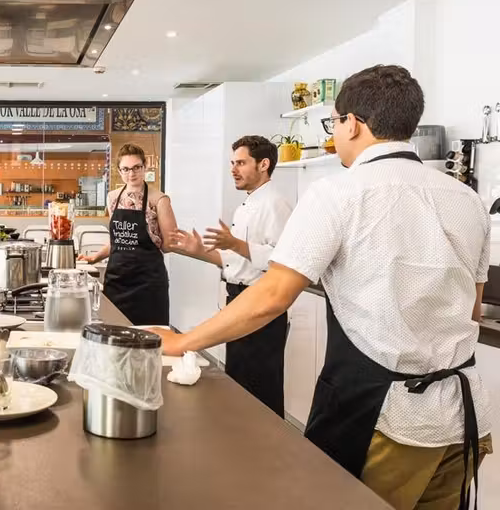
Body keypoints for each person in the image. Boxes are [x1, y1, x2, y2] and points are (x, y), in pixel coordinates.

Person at [152, 65, 492, 510]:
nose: (335, 133)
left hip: (385, 421)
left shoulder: (339, 194)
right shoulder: (466, 199)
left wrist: (182, 341)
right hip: (464, 422)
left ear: (352, 123)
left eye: (334, 123)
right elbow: (473, 308)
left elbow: (273, 295)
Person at [170, 135, 293, 417]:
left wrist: (235, 244)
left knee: (261, 386)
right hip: (238, 298)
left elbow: (282, 260)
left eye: (241, 163)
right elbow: (233, 262)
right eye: (232, 163)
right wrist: (197, 251)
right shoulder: (247, 204)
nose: (233, 170)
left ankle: (267, 449)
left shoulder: (275, 203)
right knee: (240, 381)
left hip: (261, 304)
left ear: (264, 164)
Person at [79, 143, 179, 325]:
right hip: (117, 279)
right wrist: (95, 257)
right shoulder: (113, 198)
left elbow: (169, 244)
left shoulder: (159, 199)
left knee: (150, 335)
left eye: (136, 168)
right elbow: (117, 240)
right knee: (115, 335)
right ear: (119, 170)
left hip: (148, 282)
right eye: (125, 169)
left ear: (144, 167)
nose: (131, 174)